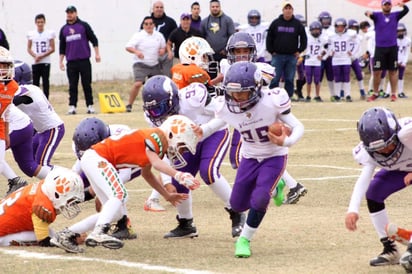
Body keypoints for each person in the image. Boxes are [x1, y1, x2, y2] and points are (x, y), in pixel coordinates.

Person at [51, 115, 200, 252]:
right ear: (172, 134)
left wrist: (167, 195)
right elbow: (156, 164)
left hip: (93, 159)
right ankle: (99, 232)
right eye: (181, 145)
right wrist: (178, 175)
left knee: (114, 214)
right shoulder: (158, 136)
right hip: (97, 158)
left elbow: (146, 174)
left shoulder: (155, 147)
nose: (180, 150)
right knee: (119, 194)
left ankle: (66, 234)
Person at [200, 61, 304, 257]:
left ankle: (244, 239)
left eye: (242, 92)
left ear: (256, 87)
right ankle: (277, 185)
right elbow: (217, 122)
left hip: (274, 156)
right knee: (238, 204)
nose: (237, 97)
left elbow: (299, 126)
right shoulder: (227, 106)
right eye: (233, 92)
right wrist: (201, 131)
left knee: (260, 198)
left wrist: (286, 141)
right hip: (249, 157)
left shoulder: (271, 101)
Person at [142, 75, 245, 238]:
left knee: (209, 172)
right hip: (185, 141)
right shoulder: (152, 118)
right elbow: (164, 149)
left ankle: (237, 212)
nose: (157, 115)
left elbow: (224, 114)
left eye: (160, 109)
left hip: (214, 132)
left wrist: (205, 130)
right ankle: (186, 223)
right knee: (179, 181)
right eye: (154, 110)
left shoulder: (193, 97)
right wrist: (167, 182)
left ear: (172, 100)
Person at [345, 107, 412, 268]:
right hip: (400, 170)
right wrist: (352, 209)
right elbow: (364, 178)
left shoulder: (407, 133)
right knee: (374, 192)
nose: (383, 151)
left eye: (387, 145)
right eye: (377, 149)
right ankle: (390, 248)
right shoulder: (367, 153)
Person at [71, 117, 138, 240]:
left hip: (129, 165)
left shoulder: (121, 138)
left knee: (116, 194)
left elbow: (125, 174)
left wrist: (102, 189)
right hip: (101, 162)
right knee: (75, 185)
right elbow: (78, 168)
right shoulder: (80, 143)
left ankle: (123, 225)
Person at [0, 167, 84, 247]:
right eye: (70, 199)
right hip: (2, 235)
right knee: (49, 235)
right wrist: (71, 240)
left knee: (50, 233)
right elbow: (43, 240)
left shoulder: (43, 187)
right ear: (57, 194)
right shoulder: (42, 205)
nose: (71, 203)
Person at [13, 64, 65, 179]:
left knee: (42, 165)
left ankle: (69, 177)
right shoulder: (32, 88)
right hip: (41, 131)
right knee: (31, 163)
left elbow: (12, 99)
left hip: (52, 129)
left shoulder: (27, 90)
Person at [59, 5, 101, 115]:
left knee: (86, 84)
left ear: (76, 13)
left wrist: (97, 54)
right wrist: (61, 61)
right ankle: (72, 106)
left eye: (72, 12)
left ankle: (90, 105)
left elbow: (94, 39)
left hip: (84, 60)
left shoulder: (83, 26)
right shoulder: (64, 29)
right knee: (72, 85)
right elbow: (62, 47)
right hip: (71, 62)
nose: (70, 14)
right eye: (68, 12)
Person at [365, 0, 409, 102]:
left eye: (389, 4)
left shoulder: (395, 15)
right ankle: (375, 93)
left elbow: (406, 11)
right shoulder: (377, 16)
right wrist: (368, 13)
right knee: (377, 72)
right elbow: (368, 13)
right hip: (380, 48)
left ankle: (393, 94)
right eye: (385, 4)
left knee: (393, 71)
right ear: (382, 6)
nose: (387, 6)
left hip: (392, 47)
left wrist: (403, 5)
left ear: (391, 6)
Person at [0, 47, 28, 196]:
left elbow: (6, 111)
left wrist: (7, 133)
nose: (3, 69)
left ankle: (17, 182)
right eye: (0, 65)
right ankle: (17, 181)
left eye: (5, 66)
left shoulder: (12, 86)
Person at [266, 1, 307, 98]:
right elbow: (269, 37)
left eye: (290, 9)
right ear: (283, 10)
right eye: (286, 8)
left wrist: (299, 50)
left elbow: (304, 38)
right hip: (278, 56)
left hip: (291, 56)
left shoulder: (297, 24)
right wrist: (271, 51)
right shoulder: (276, 23)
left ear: (292, 10)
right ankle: (272, 97)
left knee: (289, 78)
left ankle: (288, 97)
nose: (288, 11)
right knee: (275, 78)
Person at [125, 16, 166, 113]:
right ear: (143, 25)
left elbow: (163, 47)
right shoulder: (138, 35)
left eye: (150, 24)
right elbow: (128, 47)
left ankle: (156, 105)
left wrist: (162, 51)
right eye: (146, 24)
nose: (148, 26)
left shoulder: (159, 35)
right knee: (138, 84)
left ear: (154, 25)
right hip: (141, 64)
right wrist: (137, 52)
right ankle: (129, 104)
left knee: (156, 87)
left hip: (154, 64)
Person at [327, 18, 356, 102]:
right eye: (338, 26)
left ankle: (347, 95)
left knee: (346, 77)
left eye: (342, 26)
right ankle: (337, 95)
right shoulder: (331, 36)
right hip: (336, 59)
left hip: (346, 59)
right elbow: (328, 46)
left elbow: (357, 43)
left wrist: (352, 52)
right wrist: (329, 53)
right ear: (335, 27)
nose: (340, 28)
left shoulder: (349, 35)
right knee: (337, 77)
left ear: (345, 27)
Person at [27, 14, 55, 99]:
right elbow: (29, 48)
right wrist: (35, 56)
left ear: (44, 22)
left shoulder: (49, 33)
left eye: (42, 22)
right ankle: (36, 100)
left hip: (45, 61)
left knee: (45, 82)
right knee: (35, 83)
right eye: (38, 22)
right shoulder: (31, 34)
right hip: (35, 61)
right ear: (35, 23)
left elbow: (52, 48)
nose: (40, 24)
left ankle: (46, 100)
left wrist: (42, 56)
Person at [150, 1, 177, 78]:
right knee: (153, 78)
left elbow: (176, 37)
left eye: (161, 7)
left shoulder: (170, 22)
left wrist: (169, 51)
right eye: (157, 7)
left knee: (167, 77)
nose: (159, 9)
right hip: (152, 55)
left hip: (166, 55)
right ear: (153, 9)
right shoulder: (147, 22)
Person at [384, 22, 410, 98]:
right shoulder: (393, 40)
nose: (400, 32)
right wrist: (396, 61)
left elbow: (406, 52)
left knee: (401, 76)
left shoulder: (407, 40)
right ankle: (387, 92)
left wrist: (404, 62)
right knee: (392, 76)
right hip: (394, 60)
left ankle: (400, 92)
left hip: (402, 60)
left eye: (402, 30)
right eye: (398, 31)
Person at [304, 21, 327, 102]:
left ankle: (317, 95)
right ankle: (308, 95)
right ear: (310, 30)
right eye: (314, 30)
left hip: (317, 62)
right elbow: (302, 48)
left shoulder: (323, 39)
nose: (316, 31)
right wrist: (303, 56)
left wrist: (322, 55)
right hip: (308, 61)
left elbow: (326, 49)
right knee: (308, 80)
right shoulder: (307, 38)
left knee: (317, 80)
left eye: (317, 30)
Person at [347, 19, 367, 100]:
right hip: (346, 58)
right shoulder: (345, 36)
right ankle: (343, 93)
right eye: (352, 28)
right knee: (345, 76)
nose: (354, 30)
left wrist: (356, 56)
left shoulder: (359, 37)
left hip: (354, 58)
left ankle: (362, 91)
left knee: (359, 74)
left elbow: (358, 47)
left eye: (355, 28)